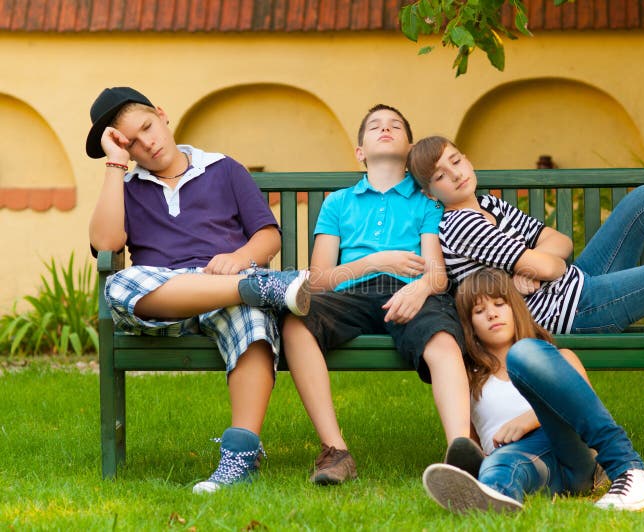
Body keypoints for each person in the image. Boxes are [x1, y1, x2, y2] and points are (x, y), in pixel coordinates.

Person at [86, 86, 311, 494]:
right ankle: (259, 287)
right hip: (168, 300)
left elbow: (267, 236)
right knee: (119, 286)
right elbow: (106, 245)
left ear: (162, 113)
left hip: (229, 288)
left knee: (253, 320)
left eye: (148, 127)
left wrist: (241, 258)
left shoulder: (223, 169)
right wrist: (114, 166)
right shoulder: (128, 186)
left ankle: (240, 455)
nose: (147, 143)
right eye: (131, 142)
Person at [408, 136, 644, 334]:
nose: (457, 173)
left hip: (576, 285)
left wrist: (537, 267)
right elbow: (550, 260)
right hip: (571, 314)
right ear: (430, 192)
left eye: (456, 160)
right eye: (441, 175)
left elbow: (559, 243)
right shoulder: (460, 225)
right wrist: (541, 264)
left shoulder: (490, 205)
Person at [281, 105, 483, 485]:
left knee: (442, 338)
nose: (385, 129)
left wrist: (422, 288)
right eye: (375, 126)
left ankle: (460, 449)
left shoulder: (427, 202)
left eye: (395, 126)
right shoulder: (338, 202)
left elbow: (437, 274)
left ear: (409, 149)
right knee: (296, 321)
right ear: (360, 152)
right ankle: (335, 451)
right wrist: (375, 261)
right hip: (350, 294)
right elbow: (320, 279)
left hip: (412, 293)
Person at [422, 268, 644, 513]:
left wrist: (529, 420)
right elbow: (468, 442)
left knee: (523, 353)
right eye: (479, 311)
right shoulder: (467, 379)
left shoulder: (555, 359)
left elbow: (585, 411)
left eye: (499, 304)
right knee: (503, 465)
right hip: (531, 466)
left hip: (573, 453)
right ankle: (493, 496)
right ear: (469, 326)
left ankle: (628, 469)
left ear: (515, 309)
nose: (492, 314)